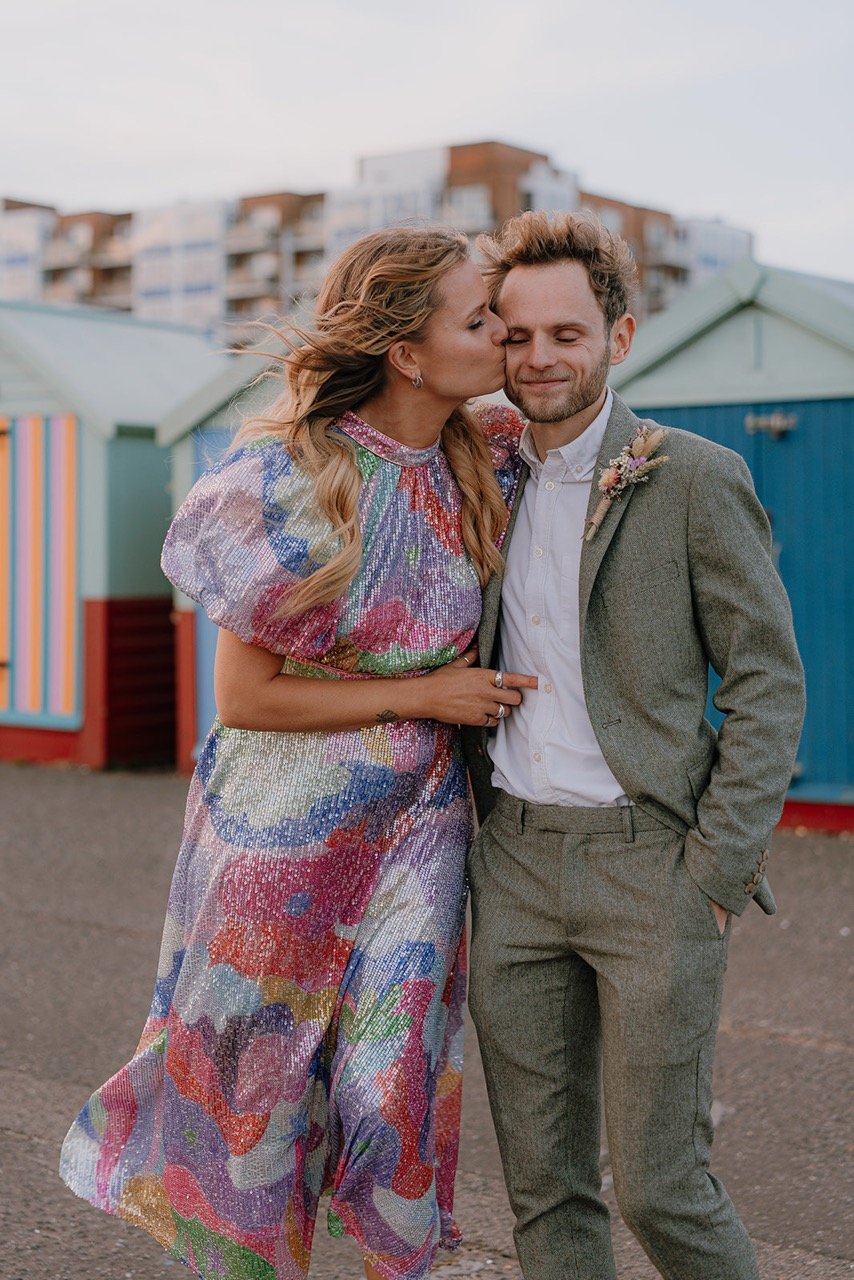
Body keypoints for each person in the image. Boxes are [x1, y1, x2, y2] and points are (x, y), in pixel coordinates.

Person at [59, 226, 536, 1280]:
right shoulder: (288, 473)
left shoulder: (488, 450)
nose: (500, 332)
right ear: (406, 351)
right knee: (253, 1088)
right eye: (476, 318)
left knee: (391, 1084)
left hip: (417, 825)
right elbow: (244, 697)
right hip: (276, 829)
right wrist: (431, 693)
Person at [462, 211, 806, 1280]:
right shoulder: (474, 473)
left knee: (662, 1187)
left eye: (563, 333)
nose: (537, 358)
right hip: (509, 862)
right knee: (545, 1194)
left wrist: (715, 865)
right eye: (514, 337)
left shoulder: (691, 476)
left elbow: (766, 679)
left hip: (650, 867)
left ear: (616, 336)